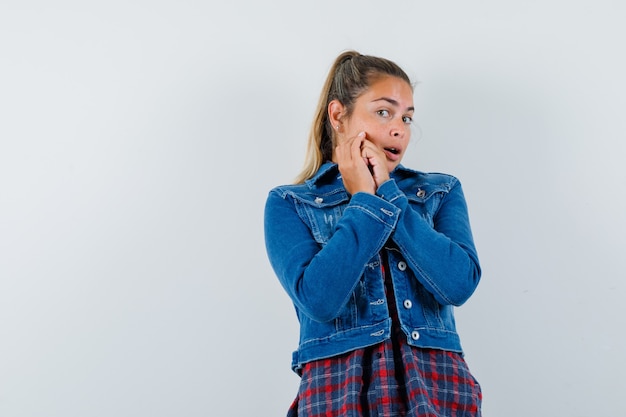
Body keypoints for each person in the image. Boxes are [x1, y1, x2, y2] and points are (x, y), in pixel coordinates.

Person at [264, 50, 482, 417]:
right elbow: (319, 300)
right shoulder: (290, 203)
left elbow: (459, 284)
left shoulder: (441, 191)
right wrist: (365, 200)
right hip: (338, 392)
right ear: (338, 115)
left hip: (437, 389)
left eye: (407, 117)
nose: (399, 128)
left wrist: (389, 194)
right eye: (384, 112)